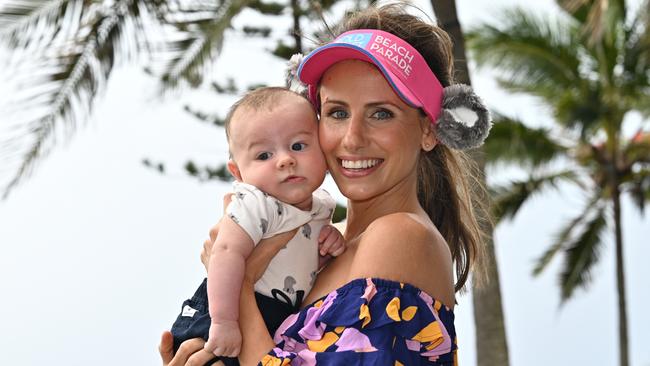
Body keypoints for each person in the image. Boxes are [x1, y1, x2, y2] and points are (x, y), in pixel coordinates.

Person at [161, 3, 492, 365]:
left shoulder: (401, 236)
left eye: (381, 113)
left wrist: (239, 283)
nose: (352, 138)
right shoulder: (319, 242)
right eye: (337, 112)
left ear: (429, 130)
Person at [169, 87, 346, 364]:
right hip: (219, 313)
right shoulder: (255, 203)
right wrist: (224, 321)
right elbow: (225, 252)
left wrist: (326, 247)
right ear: (238, 173)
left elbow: (300, 263)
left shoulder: (321, 206)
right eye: (264, 155)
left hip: (273, 315)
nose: (285, 160)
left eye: (298, 146)